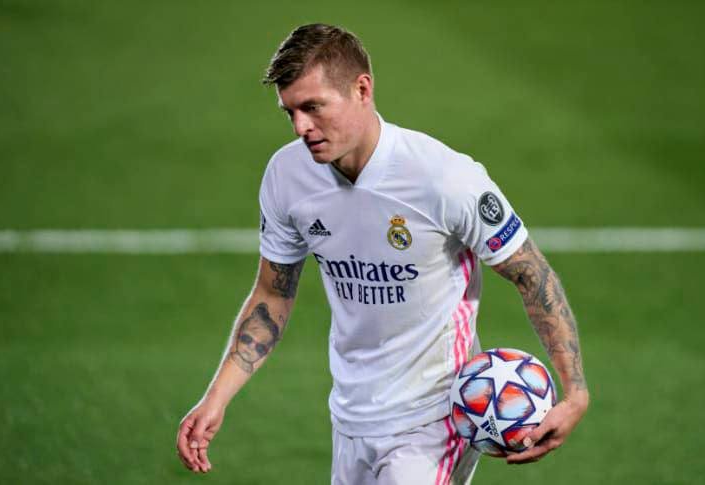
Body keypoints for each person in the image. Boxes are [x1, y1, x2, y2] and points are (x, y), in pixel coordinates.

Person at [176, 23, 589, 484]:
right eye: (290, 112)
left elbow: (532, 274)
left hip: (434, 418)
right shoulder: (287, 176)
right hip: (351, 416)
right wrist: (216, 398)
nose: (301, 127)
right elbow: (273, 294)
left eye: (313, 107)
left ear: (362, 89)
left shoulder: (444, 178)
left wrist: (574, 393)